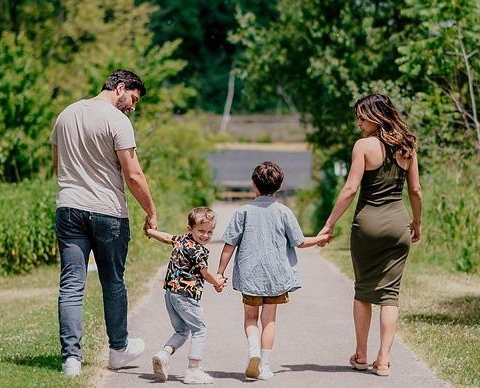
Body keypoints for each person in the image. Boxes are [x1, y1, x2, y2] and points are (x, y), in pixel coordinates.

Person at [50, 69, 158, 377]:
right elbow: (133, 174)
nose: (132, 107)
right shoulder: (117, 121)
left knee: (71, 284)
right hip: (107, 212)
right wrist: (151, 211)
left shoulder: (66, 115)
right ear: (120, 88)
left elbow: (58, 164)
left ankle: (71, 359)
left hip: (69, 208)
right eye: (133, 99)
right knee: (112, 282)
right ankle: (118, 350)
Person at [317, 93, 422, 376]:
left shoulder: (363, 146)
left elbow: (350, 189)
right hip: (398, 225)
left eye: (362, 116)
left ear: (376, 115)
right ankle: (384, 360)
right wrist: (417, 223)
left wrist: (329, 223)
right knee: (390, 294)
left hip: (367, 225)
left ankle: (361, 354)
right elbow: (415, 191)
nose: (358, 122)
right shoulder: (408, 146)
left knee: (363, 290)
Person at [216, 161, 331, 380]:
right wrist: (321, 238)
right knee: (269, 321)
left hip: (251, 277)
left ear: (253, 185)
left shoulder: (243, 212)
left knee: (251, 318)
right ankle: (265, 367)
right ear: (279, 186)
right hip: (276, 277)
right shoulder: (284, 212)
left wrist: (220, 272)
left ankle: (253, 351)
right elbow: (299, 242)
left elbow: (229, 245)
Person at [145, 207, 226, 384]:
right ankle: (193, 371)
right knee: (199, 330)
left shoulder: (181, 240)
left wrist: (150, 231)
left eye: (209, 232)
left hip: (170, 295)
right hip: (186, 297)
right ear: (190, 229)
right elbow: (205, 273)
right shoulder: (199, 251)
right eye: (201, 231)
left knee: (182, 330)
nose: (205, 235)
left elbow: (166, 237)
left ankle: (163, 354)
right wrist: (218, 282)